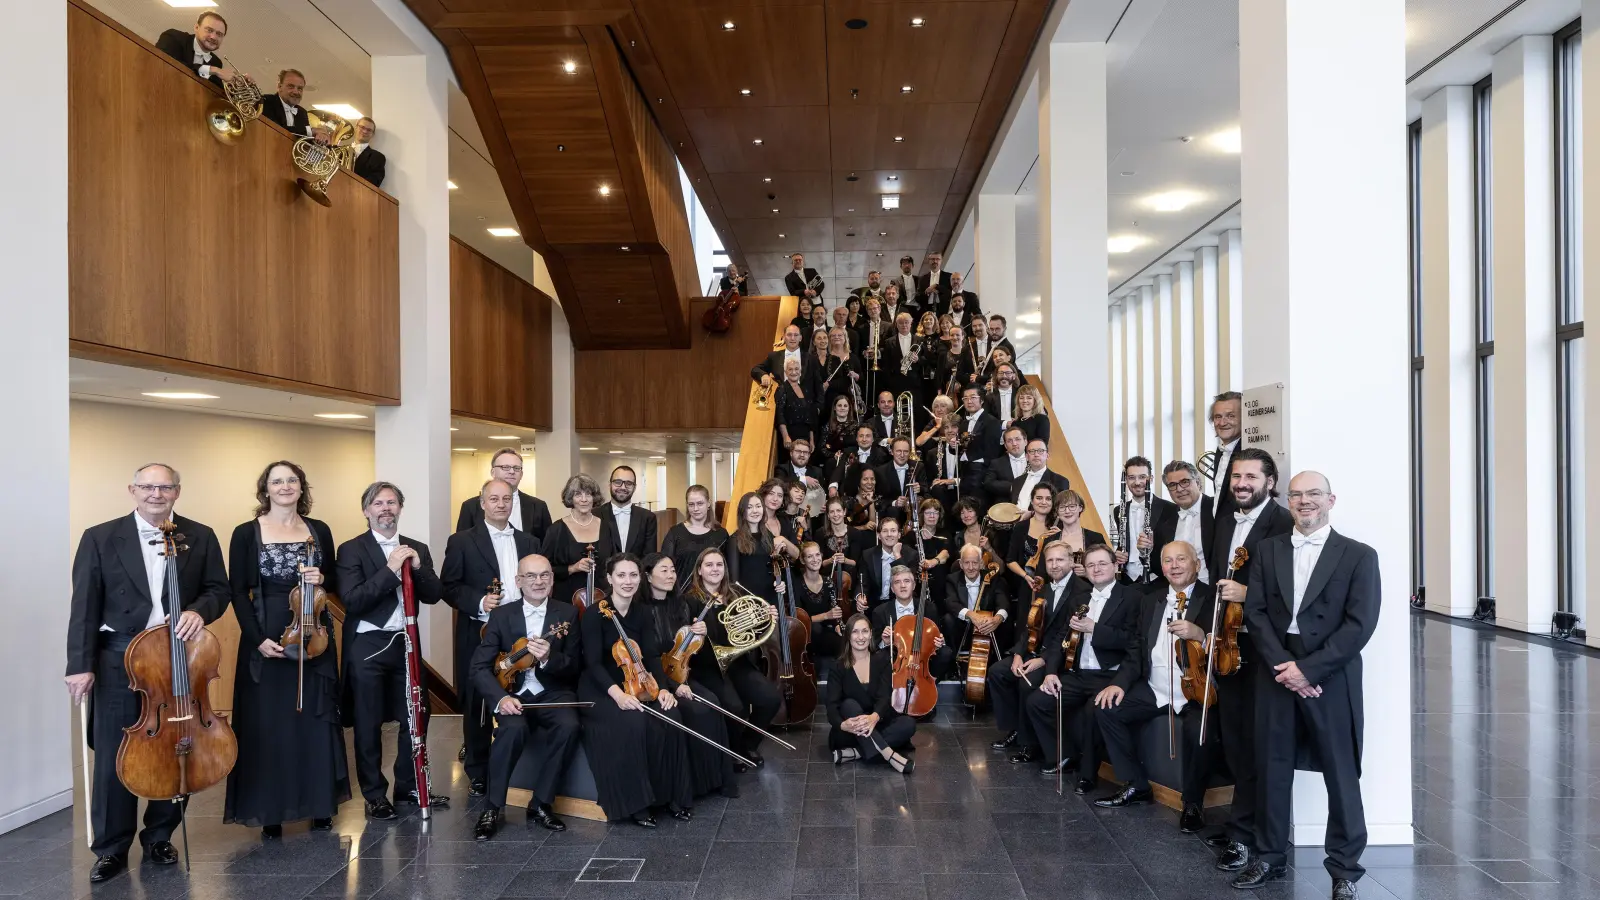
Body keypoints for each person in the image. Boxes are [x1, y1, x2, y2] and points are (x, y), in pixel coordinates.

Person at [66, 464, 229, 883]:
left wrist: (198, 611)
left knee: (180, 745)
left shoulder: (199, 534)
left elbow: (218, 589)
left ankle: (159, 835)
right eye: (148, 486)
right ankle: (111, 848)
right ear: (132, 490)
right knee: (115, 754)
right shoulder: (100, 537)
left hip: (178, 656)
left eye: (165, 486)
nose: (156, 493)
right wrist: (79, 665)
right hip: (120, 657)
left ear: (177, 491)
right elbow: (84, 605)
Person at [1235, 473, 1377, 899]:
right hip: (1277, 667)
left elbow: (1360, 625)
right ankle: (1269, 856)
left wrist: (1309, 672)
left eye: (1313, 494)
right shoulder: (1268, 549)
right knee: (1271, 768)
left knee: (1341, 772)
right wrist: (1286, 667)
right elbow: (1255, 613)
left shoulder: (1359, 555)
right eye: (1296, 495)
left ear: (1331, 499)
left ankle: (1345, 870)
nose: (1304, 501)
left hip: (1330, 673)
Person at [224, 461, 350, 836]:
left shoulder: (319, 529)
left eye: (291, 480)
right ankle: (271, 811)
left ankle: (319, 804)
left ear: (301, 486)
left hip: (314, 636)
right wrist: (256, 638)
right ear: (265, 489)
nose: (284, 486)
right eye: (276, 481)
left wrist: (323, 577)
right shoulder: (246, 533)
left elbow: (336, 583)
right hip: (268, 640)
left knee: (314, 721)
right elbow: (237, 591)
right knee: (270, 727)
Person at [335, 481, 447, 820]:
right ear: (366, 511)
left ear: (400, 508)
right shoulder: (351, 549)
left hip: (405, 642)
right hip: (368, 644)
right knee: (368, 722)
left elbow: (433, 594)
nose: (386, 509)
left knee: (416, 715)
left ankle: (408, 786)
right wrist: (390, 570)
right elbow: (353, 600)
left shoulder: (416, 547)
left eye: (392, 503)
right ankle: (374, 794)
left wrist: (416, 567)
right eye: (378, 503)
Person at [1205, 447, 1294, 872]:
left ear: (1270, 482)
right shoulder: (1225, 521)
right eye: (1236, 476)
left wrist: (1249, 595)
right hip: (1229, 649)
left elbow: (1297, 594)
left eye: (1251, 477)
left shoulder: (1284, 524)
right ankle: (1242, 826)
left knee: (1262, 747)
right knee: (1238, 743)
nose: (1241, 484)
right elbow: (1218, 585)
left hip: (1266, 652)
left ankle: (1253, 836)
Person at [1090, 540, 1212, 809]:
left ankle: (1192, 805)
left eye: (1181, 559)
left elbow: (1227, 652)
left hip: (1196, 689)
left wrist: (1201, 636)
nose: (1174, 566)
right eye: (1168, 561)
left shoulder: (1213, 599)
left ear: (1197, 565)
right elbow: (1137, 649)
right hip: (1155, 687)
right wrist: (1119, 684)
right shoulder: (1151, 600)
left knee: (1199, 731)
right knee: (1106, 708)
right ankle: (1136, 784)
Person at [470, 554, 583, 839]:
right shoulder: (501, 615)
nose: (538, 581)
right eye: (530, 576)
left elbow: (576, 666)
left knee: (569, 725)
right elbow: (479, 667)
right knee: (512, 731)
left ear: (553, 580)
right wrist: (501, 699)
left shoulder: (567, 614)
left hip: (552, 693)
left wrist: (549, 659)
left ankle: (541, 803)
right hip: (512, 694)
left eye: (544, 575)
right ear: (518, 581)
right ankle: (492, 807)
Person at [578, 554, 694, 826]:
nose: (627, 581)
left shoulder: (642, 612)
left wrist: (663, 689)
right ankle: (638, 805)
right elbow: (593, 663)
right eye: (621, 575)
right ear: (609, 578)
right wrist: (618, 695)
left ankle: (671, 798)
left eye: (633, 575)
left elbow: (652, 656)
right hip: (603, 686)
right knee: (634, 722)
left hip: (639, 681)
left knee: (672, 718)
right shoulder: (595, 613)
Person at [441, 479, 537, 796]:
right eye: (493, 499)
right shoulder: (462, 541)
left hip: (520, 633)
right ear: (482, 503)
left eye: (506, 499)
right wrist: (479, 602)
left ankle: (523, 765)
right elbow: (449, 587)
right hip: (479, 631)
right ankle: (479, 771)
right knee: (479, 702)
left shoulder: (529, 541)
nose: (500, 504)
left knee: (523, 692)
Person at [1029, 543, 1140, 786]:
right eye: (1091, 565)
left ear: (1115, 565)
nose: (1096, 569)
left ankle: (1088, 775)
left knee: (1092, 713)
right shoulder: (1080, 598)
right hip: (1078, 674)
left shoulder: (1132, 597)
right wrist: (1050, 673)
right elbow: (1060, 637)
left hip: (1108, 675)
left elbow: (1133, 641)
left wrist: (1095, 629)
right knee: (1038, 702)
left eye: (1102, 563)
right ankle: (1064, 755)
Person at [639, 552, 736, 797]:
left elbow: (687, 648)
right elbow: (647, 656)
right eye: (664, 570)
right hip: (653, 678)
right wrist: (672, 685)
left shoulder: (680, 604)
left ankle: (715, 780)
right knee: (696, 710)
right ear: (648, 576)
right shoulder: (640, 609)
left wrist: (700, 634)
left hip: (680, 672)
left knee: (712, 703)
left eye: (673, 570)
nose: (671, 575)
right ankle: (693, 784)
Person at [988, 539, 1088, 763]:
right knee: (998, 672)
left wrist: (1042, 660)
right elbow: (1030, 626)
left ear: (1071, 562)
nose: (1054, 565)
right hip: (1033, 650)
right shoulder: (1043, 587)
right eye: (1050, 560)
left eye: (1060, 560)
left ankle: (1030, 743)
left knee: (1027, 682)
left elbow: (1068, 635)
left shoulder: (1082, 591)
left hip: (1058, 657)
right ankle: (1015, 728)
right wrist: (1017, 654)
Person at [826, 614, 917, 771]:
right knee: (849, 705)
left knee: (908, 724)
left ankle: (856, 753)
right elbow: (831, 707)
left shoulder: (881, 660)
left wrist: (874, 717)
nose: (860, 637)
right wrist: (843, 725)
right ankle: (889, 754)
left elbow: (884, 697)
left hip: (877, 722)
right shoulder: (837, 666)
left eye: (865, 631)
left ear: (870, 634)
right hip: (851, 730)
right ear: (848, 635)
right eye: (855, 632)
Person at [868, 566, 955, 681]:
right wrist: (884, 642)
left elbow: (936, 635)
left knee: (946, 653)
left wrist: (940, 642)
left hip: (923, 658)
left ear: (914, 586)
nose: (902, 586)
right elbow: (874, 645)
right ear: (892, 588)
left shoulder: (929, 607)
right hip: (897, 659)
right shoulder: (880, 611)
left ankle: (928, 684)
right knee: (880, 657)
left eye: (907, 581)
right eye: (897, 582)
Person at [544, 473, 614, 607]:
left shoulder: (607, 527)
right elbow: (545, 569)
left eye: (588, 494)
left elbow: (615, 563)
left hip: (602, 598)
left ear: (594, 498)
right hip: (566, 600)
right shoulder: (556, 530)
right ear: (570, 498)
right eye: (578, 494)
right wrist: (572, 568)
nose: (584, 499)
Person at [456, 447, 552, 544]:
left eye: (516, 468)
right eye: (505, 467)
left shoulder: (538, 506)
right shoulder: (470, 506)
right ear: (492, 472)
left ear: (521, 474)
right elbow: (462, 545)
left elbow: (547, 547)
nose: (511, 471)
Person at [941, 543, 1010, 665]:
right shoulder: (952, 579)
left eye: (975, 562)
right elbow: (951, 603)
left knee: (1005, 621)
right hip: (963, 628)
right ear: (961, 564)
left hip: (988, 628)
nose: (971, 567)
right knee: (948, 619)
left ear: (981, 563)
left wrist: (997, 619)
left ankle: (996, 664)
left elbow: (1003, 602)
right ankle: (953, 664)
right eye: (967, 563)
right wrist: (971, 615)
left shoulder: (993, 578)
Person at [1114, 456, 1176, 588]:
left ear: (1151, 479)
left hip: (1157, 579)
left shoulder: (1170, 509)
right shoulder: (1118, 510)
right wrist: (1117, 554)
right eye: (1131, 477)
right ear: (1126, 480)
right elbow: (1124, 542)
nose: (1137, 482)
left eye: (1142, 477)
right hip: (1127, 580)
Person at [1156, 460, 1215, 588]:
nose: (1179, 489)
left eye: (1184, 482)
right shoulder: (1165, 519)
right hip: (1178, 594)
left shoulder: (1217, 510)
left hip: (1213, 591)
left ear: (1198, 483)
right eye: (1172, 485)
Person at [660, 485, 729, 582]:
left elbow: (726, 569)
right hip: (682, 593)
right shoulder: (675, 533)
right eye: (691, 504)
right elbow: (664, 566)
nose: (695, 509)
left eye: (700, 503)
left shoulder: (721, 534)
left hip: (713, 594)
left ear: (708, 503)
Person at [154, 11, 239, 89]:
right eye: (209, 30)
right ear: (196, 27)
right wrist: (212, 70)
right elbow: (162, 63)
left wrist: (237, 84)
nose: (213, 37)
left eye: (219, 34)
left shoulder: (216, 62)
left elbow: (214, 93)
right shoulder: (173, 37)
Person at [795, 541, 847, 664]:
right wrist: (825, 616)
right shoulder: (797, 584)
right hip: (805, 635)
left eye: (817, 555)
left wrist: (836, 625)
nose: (815, 559)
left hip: (825, 631)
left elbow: (832, 613)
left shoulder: (828, 582)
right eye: (810, 556)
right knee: (816, 629)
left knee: (842, 641)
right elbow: (798, 619)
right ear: (803, 560)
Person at [1006, 483, 1060, 599]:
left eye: (1048, 499)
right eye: (1039, 498)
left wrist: (1060, 537)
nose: (1043, 502)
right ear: (1032, 501)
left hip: (1053, 586)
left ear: (1053, 502)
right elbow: (1010, 560)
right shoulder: (1021, 527)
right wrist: (1025, 576)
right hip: (1026, 585)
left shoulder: (1059, 527)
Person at [856, 516, 919, 612]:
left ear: (899, 535)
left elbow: (908, 584)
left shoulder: (911, 555)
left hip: (900, 605)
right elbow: (863, 583)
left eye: (893, 531)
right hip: (874, 606)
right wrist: (860, 596)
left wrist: (897, 556)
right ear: (879, 535)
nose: (889, 534)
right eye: (885, 531)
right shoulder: (868, 555)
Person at [600, 465, 657, 556]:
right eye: (618, 482)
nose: (623, 487)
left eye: (629, 483)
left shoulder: (648, 517)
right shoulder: (595, 515)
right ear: (609, 484)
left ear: (634, 487)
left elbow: (649, 557)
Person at [957, 385, 1003, 497]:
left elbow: (993, 452)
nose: (969, 401)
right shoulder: (963, 423)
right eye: (965, 398)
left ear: (981, 400)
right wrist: (954, 445)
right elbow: (957, 450)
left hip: (981, 472)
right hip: (964, 471)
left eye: (973, 397)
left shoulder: (992, 421)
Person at [1207, 391, 1244, 518]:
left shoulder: (1248, 455)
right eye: (1218, 417)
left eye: (1230, 416)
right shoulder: (1220, 452)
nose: (1222, 423)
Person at [832, 422, 888, 497]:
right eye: (861, 436)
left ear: (873, 439)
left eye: (867, 436)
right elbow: (839, 469)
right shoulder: (848, 452)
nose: (864, 439)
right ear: (856, 438)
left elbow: (880, 480)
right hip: (849, 494)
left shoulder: (881, 455)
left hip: (872, 494)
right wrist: (833, 486)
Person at [259, 69, 316, 138]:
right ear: (279, 87)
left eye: (300, 88)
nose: (296, 92)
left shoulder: (302, 112)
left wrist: (320, 137)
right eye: (291, 86)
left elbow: (305, 140)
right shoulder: (266, 101)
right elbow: (278, 130)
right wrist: (311, 131)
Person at [873, 438, 918, 525]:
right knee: (892, 510)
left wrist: (919, 489)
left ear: (909, 453)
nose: (902, 455)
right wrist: (894, 503)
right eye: (898, 451)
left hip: (913, 509)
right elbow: (879, 500)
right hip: (892, 512)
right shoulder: (880, 471)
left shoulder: (918, 466)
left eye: (905, 451)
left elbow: (926, 492)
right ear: (891, 451)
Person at [776, 357, 816, 451]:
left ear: (800, 371)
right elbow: (780, 414)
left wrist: (812, 440)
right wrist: (786, 436)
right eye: (790, 369)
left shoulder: (805, 389)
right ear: (785, 372)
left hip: (805, 437)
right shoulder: (782, 389)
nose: (794, 372)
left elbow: (810, 418)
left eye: (796, 369)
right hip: (790, 437)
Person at [983, 362, 1023, 427]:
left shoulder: (1021, 394)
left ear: (1014, 376)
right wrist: (1004, 424)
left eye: (1008, 373)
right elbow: (985, 417)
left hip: (1018, 430)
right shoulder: (989, 396)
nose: (1004, 376)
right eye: (1001, 373)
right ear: (996, 376)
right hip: (996, 430)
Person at [350, 117, 387, 188]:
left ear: (372, 134)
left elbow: (374, 182)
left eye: (369, 130)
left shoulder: (378, 157)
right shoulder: (339, 151)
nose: (365, 131)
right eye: (362, 127)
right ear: (356, 127)